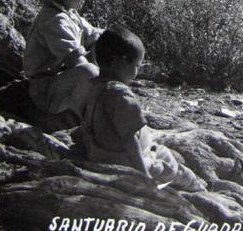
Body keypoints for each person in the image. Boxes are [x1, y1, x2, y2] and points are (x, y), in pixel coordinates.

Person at [82, 25, 205, 190]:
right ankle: (197, 188)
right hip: (126, 161)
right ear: (121, 62)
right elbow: (129, 139)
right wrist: (143, 174)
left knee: (161, 151)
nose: (137, 72)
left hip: (101, 154)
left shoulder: (93, 86)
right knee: (174, 168)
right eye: (137, 66)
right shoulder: (120, 96)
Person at [23, 0, 103, 118]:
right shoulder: (54, 21)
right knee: (88, 72)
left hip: (62, 81)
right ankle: (91, 113)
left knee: (103, 44)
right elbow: (76, 61)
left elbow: (93, 35)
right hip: (46, 91)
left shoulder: (69, 14)